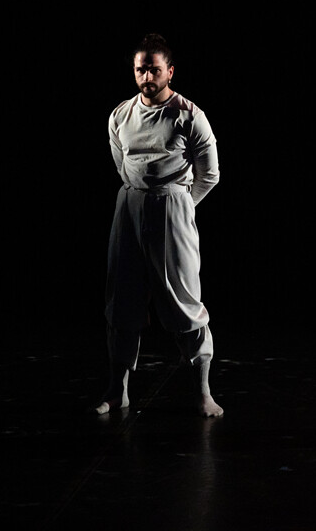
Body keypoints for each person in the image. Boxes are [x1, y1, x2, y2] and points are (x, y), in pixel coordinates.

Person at [96, 33, 224, 417]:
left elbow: (209, 174)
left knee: (183, 301)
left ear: (169, 71)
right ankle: (117, 392)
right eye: (141, 69)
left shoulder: (189, 115)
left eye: (153, 69)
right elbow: (122, 163)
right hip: (129, 207)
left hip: (172, 206)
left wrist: (178, 206)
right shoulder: (120, 115)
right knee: (122, 301)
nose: (146, 76)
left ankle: (203, 393)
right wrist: (141, 200)